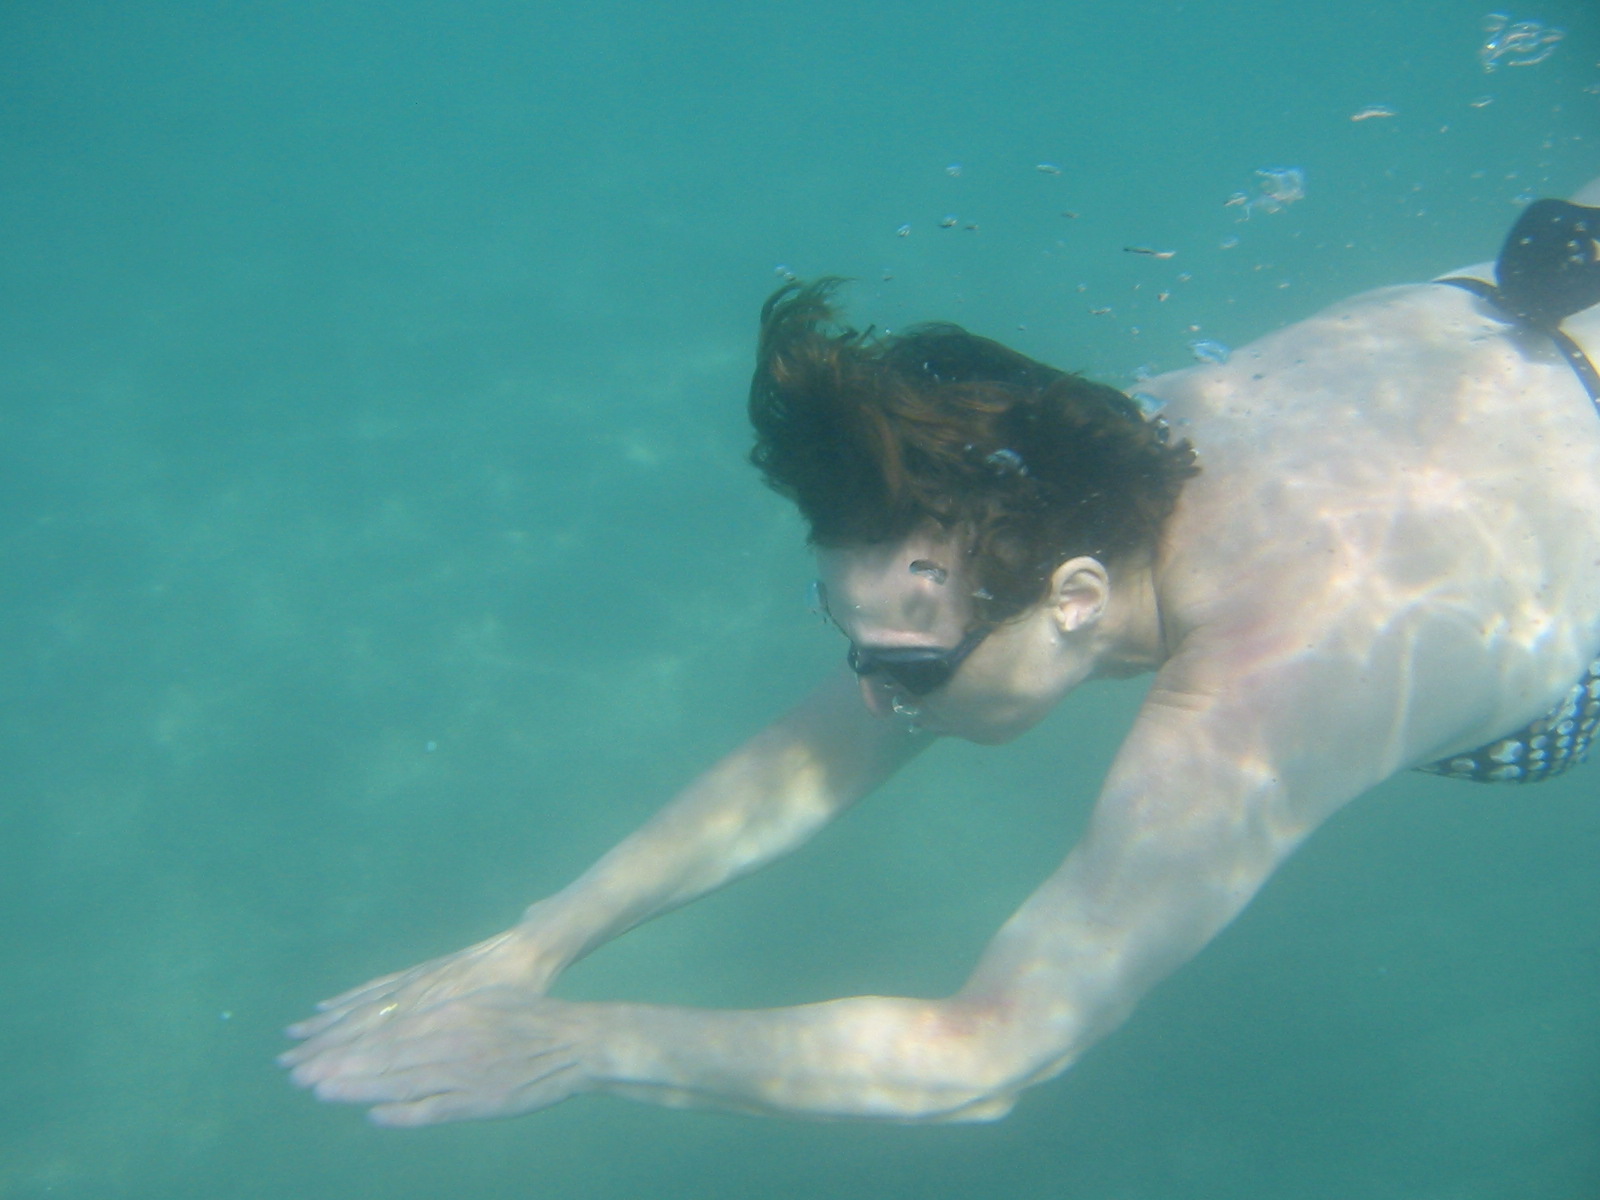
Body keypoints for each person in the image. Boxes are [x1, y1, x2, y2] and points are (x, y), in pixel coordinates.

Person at [280, 179, 1600, 1127]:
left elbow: (988, 1051)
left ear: (1076, 601)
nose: (868, 697)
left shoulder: (1269, 692)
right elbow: (828, 744)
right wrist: (537, 943)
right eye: (852, 641)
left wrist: (583, 1045)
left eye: (907, 667)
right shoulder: (1073, 452)